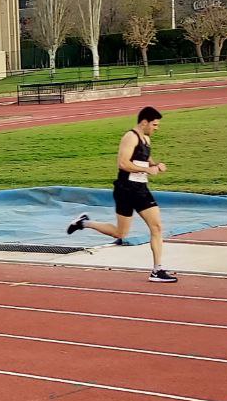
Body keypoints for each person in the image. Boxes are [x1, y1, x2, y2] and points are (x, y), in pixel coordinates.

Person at [67, 106, 176, 283]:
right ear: (144, 122)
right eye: (154, 124)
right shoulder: (130, 137)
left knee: (156, 227)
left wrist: (156, 165)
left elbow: (143, 158)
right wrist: (148, 169)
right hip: (126, 189)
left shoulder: (146, 138)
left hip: (141, 190)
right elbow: (123, 163)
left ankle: (157, 270)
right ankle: (84, 223)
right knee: (120, 233)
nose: (157, 128)